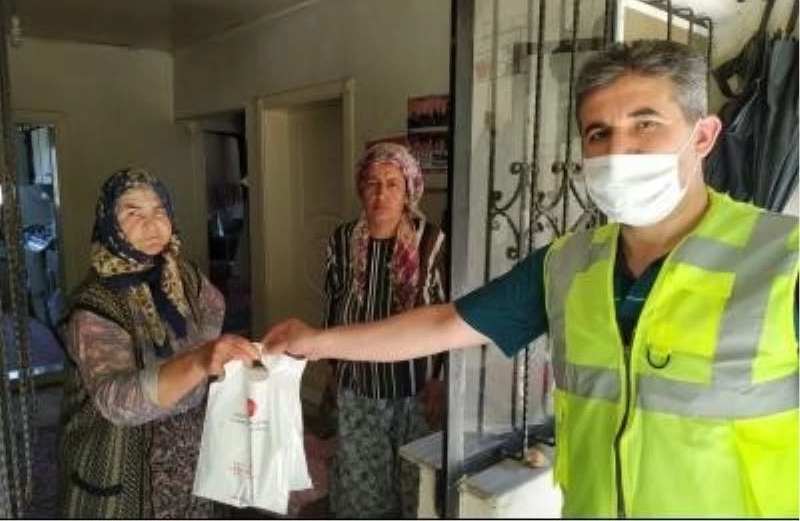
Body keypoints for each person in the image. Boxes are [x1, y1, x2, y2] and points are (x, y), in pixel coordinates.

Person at [263, 40, 799, 518]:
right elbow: (446, 323)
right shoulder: (569, 264)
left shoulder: (783, 261)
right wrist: (316, 341)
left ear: (703, 135)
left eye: (646, 124)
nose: (619, 151)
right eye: (598, 133)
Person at [58, 168, 259, 518]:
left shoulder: (181, 273)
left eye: (159, 211)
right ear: (109, 223)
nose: (151, 225)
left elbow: (214, 304)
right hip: (124, 460)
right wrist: (198, 361)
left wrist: (204, 349)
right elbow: (117, 401)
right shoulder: (94, 305)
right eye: (133, 213)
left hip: (189, 449)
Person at [321, 142, 447, 518]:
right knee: (362, 479)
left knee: (414, 480)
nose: (381, 194)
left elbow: (444, 311)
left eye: (393, 184)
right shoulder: (342, 240)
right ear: (361, 189)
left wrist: (439, 378)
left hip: (414, 384)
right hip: (357, 380)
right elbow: (333, 303)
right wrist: (332, 365)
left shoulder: (431, 240)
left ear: (409, 191)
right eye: (372, 183)